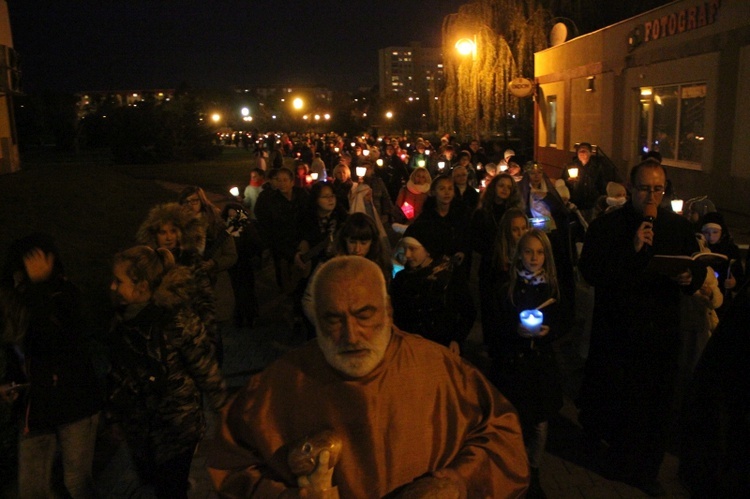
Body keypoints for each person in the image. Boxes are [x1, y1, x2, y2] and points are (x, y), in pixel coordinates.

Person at [207, 256, 530, 497]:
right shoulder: (276, 387)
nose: (351, 335)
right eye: (333, 319)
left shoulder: (441, 370)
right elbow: (230, 465)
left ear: (388, 311)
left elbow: (503, 439)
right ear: (314, 320)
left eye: (365, 315)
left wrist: (456, 484)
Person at [576, 158, 706, 496]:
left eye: (658, 189)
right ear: (631, 189)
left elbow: (696, 266)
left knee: (657, 406)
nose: (652, 196)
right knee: (621, 404)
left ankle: (648, 469)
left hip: (661, 334)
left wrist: (691, 276)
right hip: (619, 333)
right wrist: (631, 251)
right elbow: (590, 272)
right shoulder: (608, 226)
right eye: (645, 188)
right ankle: (616, 463)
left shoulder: (675, 227)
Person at [107, 245, 228, 498]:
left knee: (169, 488)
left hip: (176, 427)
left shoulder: (176, 319)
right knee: (156, 482)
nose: (113, 287)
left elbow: (205, 368)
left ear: (141, 285)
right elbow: (118, 371)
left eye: (119, 281)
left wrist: (224, 410)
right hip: (140, 428)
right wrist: (114, 416)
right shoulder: (122, 319)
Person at [2, 234, 101, 498]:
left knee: (76, 482)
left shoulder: (65, 294)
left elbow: (52, 339)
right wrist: (10, 381)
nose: (21, 276)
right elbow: (16, 349)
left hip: (74, 402)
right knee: (32, 488)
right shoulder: (14, 300)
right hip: (35, 407)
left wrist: (39, 287)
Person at [489, 229, 564, 498]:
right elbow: (497, 325)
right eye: (529, 251)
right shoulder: (508, 288)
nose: (534, 257)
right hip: (515, 366)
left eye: (540, 252)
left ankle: (533, 471)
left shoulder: (551, 288)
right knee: (516, 420)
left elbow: (560, 321)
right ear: (520, 254)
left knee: (540, 423)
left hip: (541, 366)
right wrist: (514, 331)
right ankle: (515, 468)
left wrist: (548, 332)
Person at [390, 221, 476, 350]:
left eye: (413, 249)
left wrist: (456, 339)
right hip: (410, 348)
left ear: (428, 250)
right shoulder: (401, 279)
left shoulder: (450, 276)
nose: (407, 255)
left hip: (440, 347)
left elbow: (468, 311)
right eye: (405, 248)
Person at [699, 211, 745, 318]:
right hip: (701, 299)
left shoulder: (730, 250)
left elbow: (740, 277)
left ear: (721, 232)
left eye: (715, 232)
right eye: (707, 232)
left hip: (723, 301)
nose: (711, 236)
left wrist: (734, 283)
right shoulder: (698, 247)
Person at [561, 142, 621, 221]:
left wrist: (605, 197)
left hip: (591, 203)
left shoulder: (596, 167)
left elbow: (601, 183)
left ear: (590, 153)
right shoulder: (570, 166)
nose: (582, 153)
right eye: (580, 151)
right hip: (576, 202)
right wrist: (569, 182)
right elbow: (563, 183)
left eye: (584, 151)